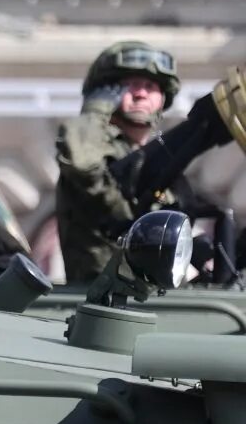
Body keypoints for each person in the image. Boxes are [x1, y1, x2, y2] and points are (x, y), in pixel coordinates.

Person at [54, 41, 230, 283]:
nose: (141, 93)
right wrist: (95, 112)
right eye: (131, 85)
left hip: (153, 296)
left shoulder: (165, 164)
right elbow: (84, 167)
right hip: (101, 299)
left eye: (150, 86)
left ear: (162, 99)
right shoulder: (91, 147)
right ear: (106, 93)